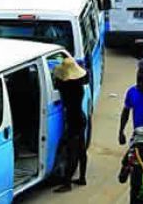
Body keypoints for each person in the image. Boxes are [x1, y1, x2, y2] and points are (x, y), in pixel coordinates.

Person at [53, 58, 90, 192]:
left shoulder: (67, 87)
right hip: (80, 118)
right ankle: (82, 177)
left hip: (74, 121)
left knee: (71, 151)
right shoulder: (78, 85)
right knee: (81, 150)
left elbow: (59, 83)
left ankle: (67, 183)